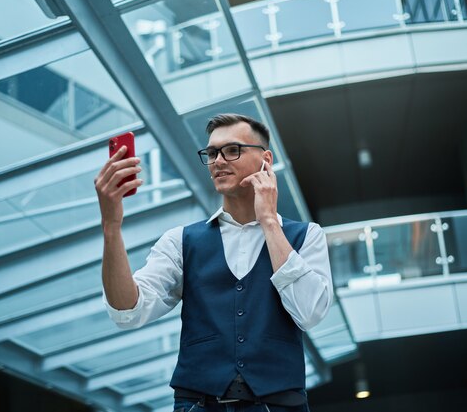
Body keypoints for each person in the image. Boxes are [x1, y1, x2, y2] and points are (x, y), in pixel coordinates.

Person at [94, 114, 333, 412]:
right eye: (211, 153)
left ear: (266, 159)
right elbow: (127, 312)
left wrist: (269, 220)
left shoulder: (306, 236)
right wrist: (110, 226)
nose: (218, 161)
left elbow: (310, 314)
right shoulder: (180, 241)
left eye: (232, 150)